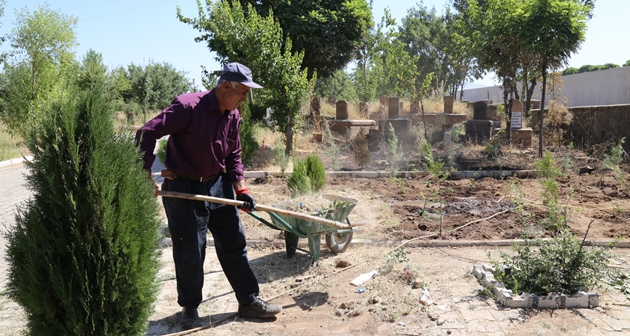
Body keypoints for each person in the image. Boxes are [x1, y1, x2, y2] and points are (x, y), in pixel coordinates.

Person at [136, 62, 282, 330]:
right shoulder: (188, 107)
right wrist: (144, 173)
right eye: (242, 92)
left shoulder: (233, 115)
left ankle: (248, 300)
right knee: (191, 249)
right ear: (227, 86)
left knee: (234, 243)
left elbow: (234, 154)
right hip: (184, 189)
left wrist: (241, 188)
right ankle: (190, 308)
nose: (244, 98)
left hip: (218, 185)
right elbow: (147, 132)